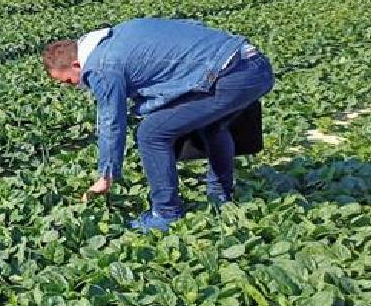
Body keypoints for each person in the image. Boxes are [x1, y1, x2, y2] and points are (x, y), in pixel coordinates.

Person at [43, 18, 274, 231]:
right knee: (211, 126)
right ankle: (220, 197)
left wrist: (107, 174)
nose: (74, 85)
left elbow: (111, 120)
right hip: (252, 63)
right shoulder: (117, 35)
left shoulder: (100, 66)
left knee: (151, 133)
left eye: (69, 81)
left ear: (75, 64)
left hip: (233, 77)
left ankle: (166, 213)